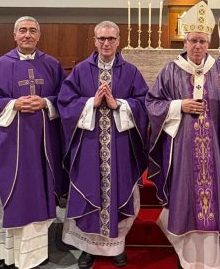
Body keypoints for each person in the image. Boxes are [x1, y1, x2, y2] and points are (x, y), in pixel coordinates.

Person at [146, 1, 220, 269]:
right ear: (184, 42)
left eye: (202, 41)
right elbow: (152, 103)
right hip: (183, 150)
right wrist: (179, 106)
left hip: (213, 149)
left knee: (211, 200)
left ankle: (208, 258)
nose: (197, 46)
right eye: (193, 41)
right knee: (185, 196)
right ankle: (184, 252)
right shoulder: (171, 70)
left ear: (208, 42)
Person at [0, 16, 66, 269]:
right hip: (9, 144)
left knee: (37, 192)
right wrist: (12, 104)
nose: (27, 35)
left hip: (41, 145)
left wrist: (46, 102)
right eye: (22, 31)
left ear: (39, 35)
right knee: (6, 193)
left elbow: (66, 99)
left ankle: (33, 254)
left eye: (32, 31)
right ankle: (4, 254)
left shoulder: (51, 65)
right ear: (14, 35)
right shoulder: (0, 65)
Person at [58, 21, 149, 269]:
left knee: (117, 192)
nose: (106, 43)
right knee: (89, 191)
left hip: (119, 145)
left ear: (119, 41)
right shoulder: (80, 71)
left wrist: (120, 104)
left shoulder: (130, 71)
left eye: (111, 38)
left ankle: (116, 246)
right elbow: (65, 103)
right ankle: (88, 249)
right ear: (94, 41)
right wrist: (91, 104)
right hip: (89, 144)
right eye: (101, 39)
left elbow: (144, 103)